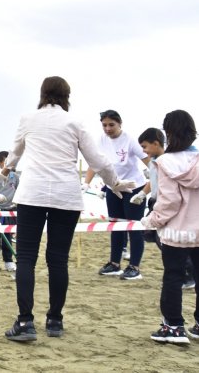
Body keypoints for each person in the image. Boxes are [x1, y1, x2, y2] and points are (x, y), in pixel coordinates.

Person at [2, 77, 134, 341]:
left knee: (26, 258)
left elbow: (15, 152)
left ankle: (26, 322)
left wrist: (7, 168)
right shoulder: (75, 122)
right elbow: (97, 159)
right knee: (58, 259)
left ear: (42, 94)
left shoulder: (28, 118)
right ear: (66, 96)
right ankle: (55, 320)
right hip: (66, 194)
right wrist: (114, 183)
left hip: (33, 193)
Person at [140, 110, 199, 344]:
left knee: (173, 276)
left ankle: (173, 326)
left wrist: (152, 221)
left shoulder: (164, 162)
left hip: (176, 231)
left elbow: (169, 202)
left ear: (168, 133)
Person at [83, 109, 150, 280]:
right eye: (104, 125)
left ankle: (134, 267)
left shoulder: (130, 140)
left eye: (111, 125)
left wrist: (148, 190)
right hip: (114, 188)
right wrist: (86, 183)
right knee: (116, 226)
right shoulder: (101, 141)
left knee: (134, 228)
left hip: (134, 188)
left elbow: (150, 163)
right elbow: (95, 163)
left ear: (119, 123)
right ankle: (114, 264)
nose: (107, 128)